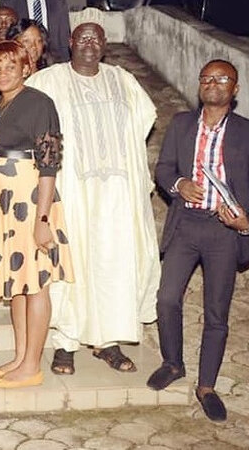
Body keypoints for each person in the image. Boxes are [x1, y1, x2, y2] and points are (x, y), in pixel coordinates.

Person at [27, 20, 160, 377]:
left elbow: (146, 118)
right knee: (72, 265)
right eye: (82, 37)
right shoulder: (49, 79)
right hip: (71, 192)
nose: (89, 43)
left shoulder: (122, 80)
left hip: (117, 195)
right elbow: (24, 116)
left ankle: (108, 341)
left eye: (96, 38)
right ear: (70, 42)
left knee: (112, 265)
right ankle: (66, 344)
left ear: (104, 45)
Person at [148, 59, 249, 422]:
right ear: (199, 86)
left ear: (234, 90)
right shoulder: (182, 124)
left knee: (216, 312)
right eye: (207, 78)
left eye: (222, 79)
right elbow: (164, 168)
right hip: (186, 224)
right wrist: (178, 186)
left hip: (223, 232)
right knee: (167, 298)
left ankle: (207, 386)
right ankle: (173, 363)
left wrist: (248, 221)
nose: (213, 84)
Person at [0, 41, 73, 388]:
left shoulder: (39, 103)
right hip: (4, 207)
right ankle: (20, 357)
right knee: (17, 285)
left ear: (25, 69)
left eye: (10, 66)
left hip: (31, 204)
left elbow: (49, 166)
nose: (3, 73)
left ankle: (32, 365)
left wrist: (43, 220)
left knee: (36, 286)